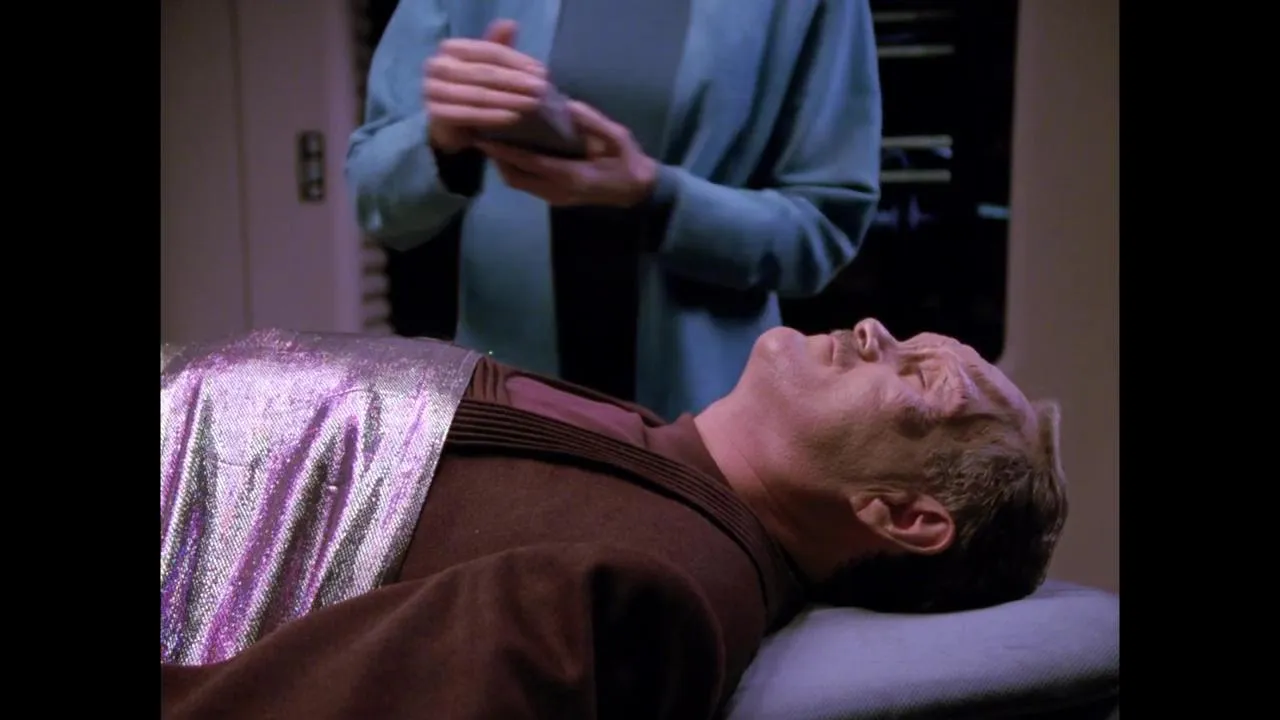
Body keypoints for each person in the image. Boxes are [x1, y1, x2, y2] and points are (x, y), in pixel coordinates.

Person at [160, 319, 1067, 719]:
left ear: (902, 515)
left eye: (921, 378)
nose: (874, 330)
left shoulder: (647, 596)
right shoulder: (661, 456)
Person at [345, 0, 883, 420]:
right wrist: (443, 142)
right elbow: (375, 195)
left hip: (708, 427)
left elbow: (823, 227)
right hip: (512, 418)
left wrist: (656, 198)